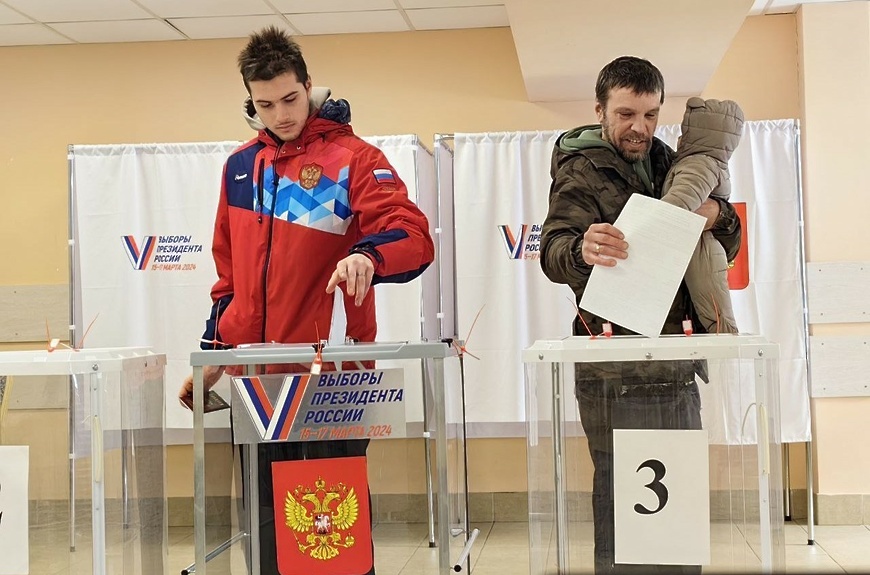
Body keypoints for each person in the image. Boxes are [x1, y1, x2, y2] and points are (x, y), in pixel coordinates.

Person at [178, 26, 435, 575]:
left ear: (309, 85)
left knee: (330, 536)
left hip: (330, 379)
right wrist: (214, 355)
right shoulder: (239, 167)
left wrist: (368, 255)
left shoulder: (353, 158)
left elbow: (413, 236)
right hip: (255, 380)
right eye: (265, 105)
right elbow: (229, 281)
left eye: (290, 99)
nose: (280, 115)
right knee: (266, 536)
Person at [539, 56, 741, 574]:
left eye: (650, 115)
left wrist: (715, 215)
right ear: (600, 110)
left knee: (678, 509)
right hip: (612, 370)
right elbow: (553, 252)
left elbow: (731, 240)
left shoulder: (675, 163)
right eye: (626, 114)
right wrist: (582, 248)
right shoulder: (578, 170)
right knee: (621, 508)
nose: (640, 128)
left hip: (675, 362)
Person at [661, 97, 745, 334]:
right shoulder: (712, 162)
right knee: (716, 314)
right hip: (703, 248)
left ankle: (728, 352)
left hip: (701, 249)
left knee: (716, 318)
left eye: (685, 131)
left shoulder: (699, 164)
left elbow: (679, 204)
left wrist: (644, 226)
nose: (680, 138)